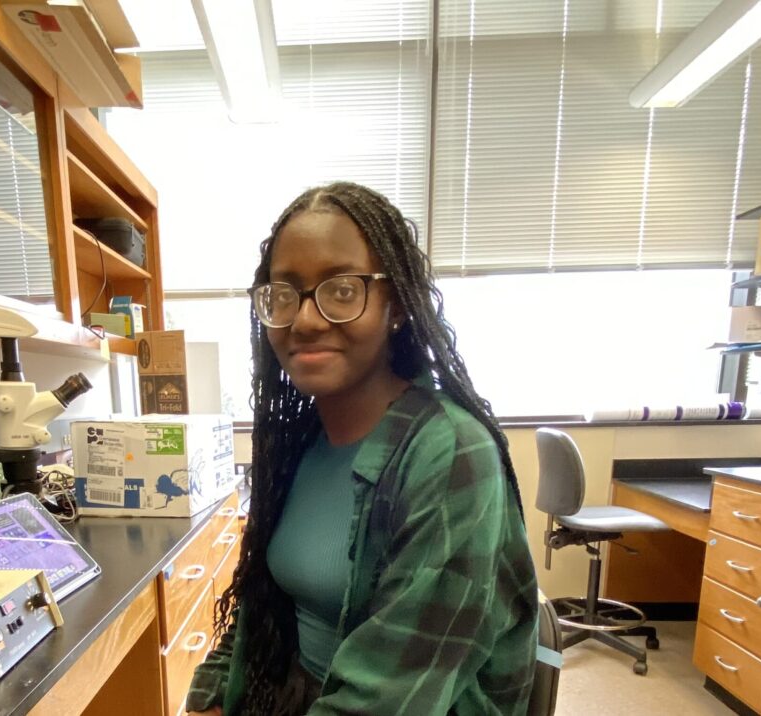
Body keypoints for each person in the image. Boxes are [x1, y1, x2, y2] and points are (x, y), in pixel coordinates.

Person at [186, 182, 538, 716]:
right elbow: (258, 605)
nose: (304, 319)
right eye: (283, 294)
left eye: (342, 289)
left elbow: (389, 701)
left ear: (394, 305)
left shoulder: (450, 456)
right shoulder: (299, 443)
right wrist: (208, 703)